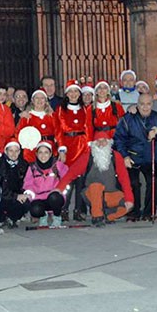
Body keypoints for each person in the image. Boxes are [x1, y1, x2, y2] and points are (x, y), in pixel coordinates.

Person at [57, 131, 134, 227]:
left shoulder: (116, 156)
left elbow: (124, 179)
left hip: (110, 194)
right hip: (92, 193)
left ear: (109, 143)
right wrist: (59, 188)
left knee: (127, 204)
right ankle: (97, 216)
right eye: (98, 141)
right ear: (94, 144)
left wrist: (129, 199)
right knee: (96, 186)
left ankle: (108, 216)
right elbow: (71, 173)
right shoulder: (87, 157)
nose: (101, 144)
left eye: (104, 141)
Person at [114, 93, 157, 220]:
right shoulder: (127, 119)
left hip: (151, 157)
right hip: (133, 156)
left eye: (148, 104)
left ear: (152, 105)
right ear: (137, 105)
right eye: (142, 104)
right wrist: (125, 156)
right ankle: (134, 211)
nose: (145, 107)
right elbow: (119, 139)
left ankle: (149, 212)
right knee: (133, 182)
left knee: (153, 181)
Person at [54, 79, 93, 222]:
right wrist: (62, 149)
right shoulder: (60, 109)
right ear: (66, 94)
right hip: (68, 145)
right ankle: (64, 209)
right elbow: (58, 130)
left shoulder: (85, 109)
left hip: (82, 145)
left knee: (81, 180)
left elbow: (88, 127)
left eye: (76, 91)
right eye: (71, 91)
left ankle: (78, 210)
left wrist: (88, 146)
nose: (73, 94)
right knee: (68, 179)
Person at [22, 141, 69, 228]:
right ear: (36, 154)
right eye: (40, 152)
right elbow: (28, 183)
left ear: (51, 153)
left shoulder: (57, 165)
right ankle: (43, 216)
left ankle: (57, 217)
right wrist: (30, 194)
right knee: (35, 209)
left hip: (54, 197)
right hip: (39, 198)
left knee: (54, 197)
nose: (43, 155)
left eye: (46, 152)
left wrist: (62, 190)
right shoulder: (32, 168)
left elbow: (67, 178)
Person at [0, 139, 30, 228]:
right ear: (6, 151)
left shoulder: (24, 165)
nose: (14, 154)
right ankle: (1, 218)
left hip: (16, 196)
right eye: (11, 151)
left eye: (16, 151)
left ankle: (13, 217)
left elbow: (27, 183)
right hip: (2, 197)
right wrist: (16, 196)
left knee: (27, 202)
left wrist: (25, 194)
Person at [16, 89, 56, 162]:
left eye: (42, 98)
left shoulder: (52, 116)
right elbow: (17, 134)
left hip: (50, 152)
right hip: (31, 153)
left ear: (46, 101)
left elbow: (58, 133)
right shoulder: (27, 117)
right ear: (33, 101)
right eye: (37, 98)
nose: (39, 100)